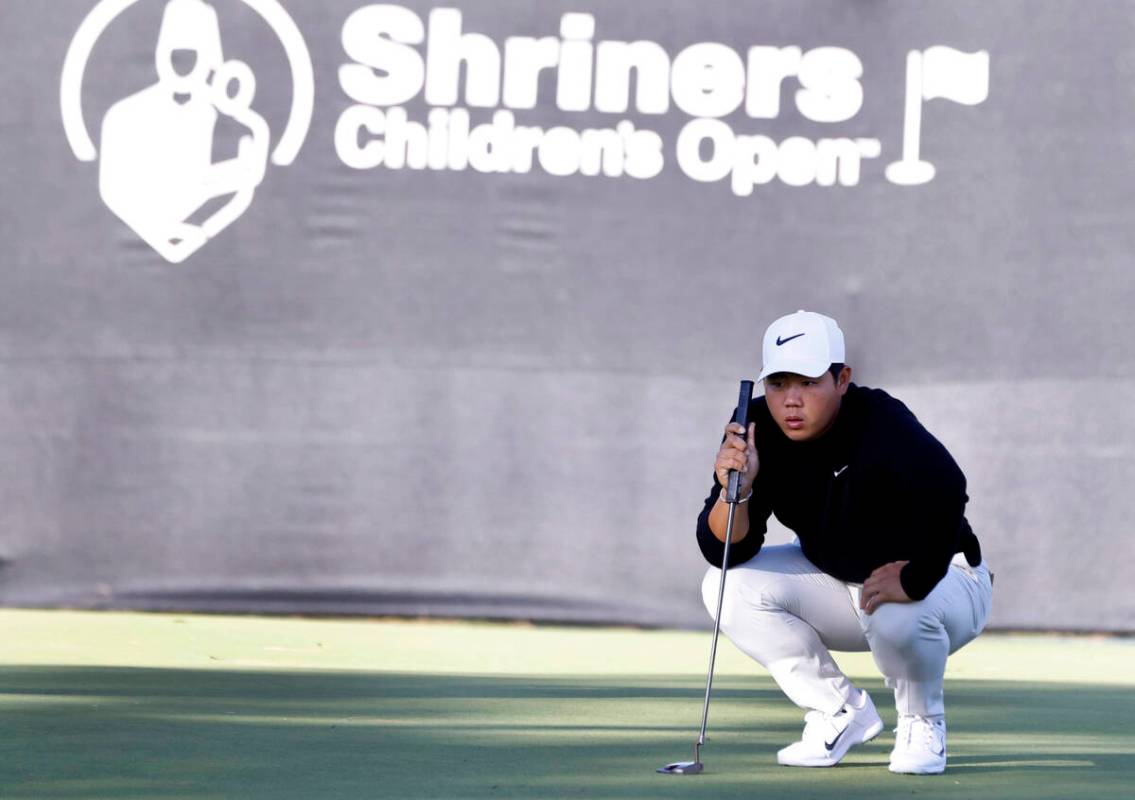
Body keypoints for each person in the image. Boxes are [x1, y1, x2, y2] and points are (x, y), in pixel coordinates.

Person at [696, 310, 992, 775]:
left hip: (946, 580)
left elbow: (949, 486)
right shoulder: (753, 427)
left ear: (842, 379)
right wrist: (741, 489)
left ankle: (922, 722)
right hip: (842, 582)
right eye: (777, 384)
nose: (791, 401)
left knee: (895, 609)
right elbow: (727, 549)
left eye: (809, 382)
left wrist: (915, 577)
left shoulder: (880, 419)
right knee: (724, 586)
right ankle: (839, 710)